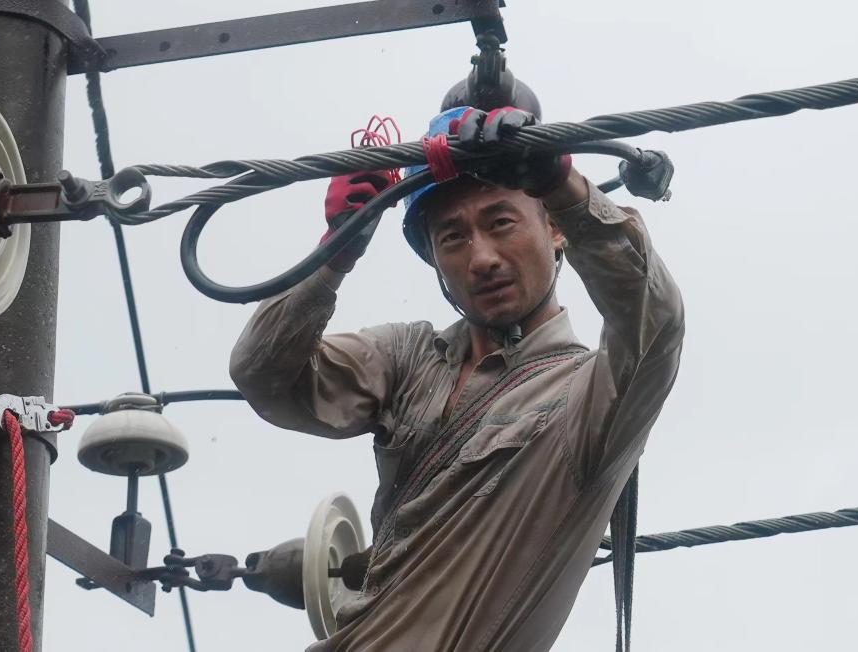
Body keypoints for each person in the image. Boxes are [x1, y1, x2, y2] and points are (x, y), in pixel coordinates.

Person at [230, 106, 685, 651]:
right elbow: (263, 375)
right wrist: (335, 253)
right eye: (452, 237)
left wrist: (560, 182)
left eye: (501, 222)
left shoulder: (589, 399)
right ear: (434, 259)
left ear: (555, 228)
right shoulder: (408, 358)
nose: (482, 257)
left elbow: (654, 321)